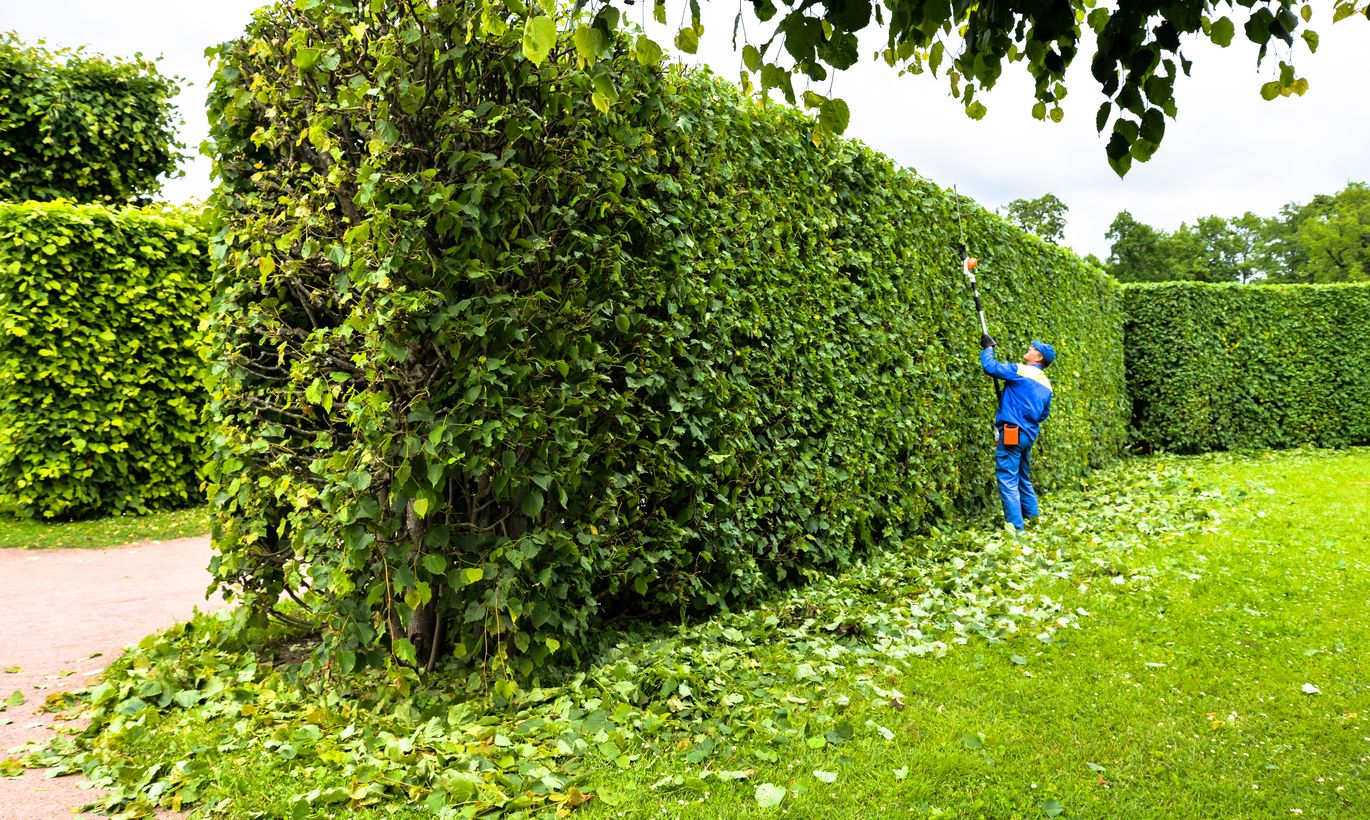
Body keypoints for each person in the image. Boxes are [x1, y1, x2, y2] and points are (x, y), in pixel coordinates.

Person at [978, 335, 1055, 530]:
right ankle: (1033, 520)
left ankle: (1016, 530)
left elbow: (991, 367)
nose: (1029, 349)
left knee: (1007, 477)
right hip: (1028, 435)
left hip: (1012, 432)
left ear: (1038, 358)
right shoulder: (1047, 385)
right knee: (1022, 476)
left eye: (1032, 349)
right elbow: (1043, 414)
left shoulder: (1021, 370)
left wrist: (988, 348)